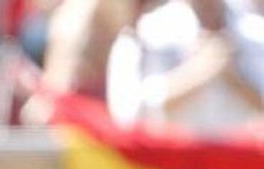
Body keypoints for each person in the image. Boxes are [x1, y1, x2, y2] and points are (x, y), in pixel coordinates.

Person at [107, 0, 264, 136]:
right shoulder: (150, 32)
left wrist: (232, 77)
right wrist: (197, 73)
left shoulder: (256, 32)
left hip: (241, 164)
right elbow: (131, 115)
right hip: (171, 166)